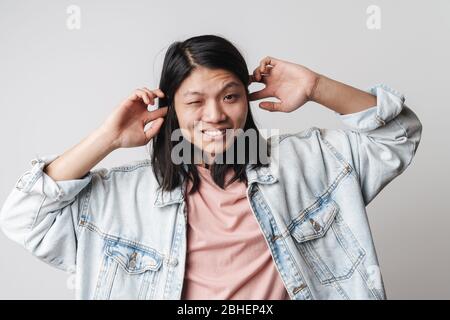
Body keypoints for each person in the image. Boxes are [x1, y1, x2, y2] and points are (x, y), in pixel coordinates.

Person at [0, 34, 422, 300]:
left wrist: (314, 87)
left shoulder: (305, 164)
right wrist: (107, 138)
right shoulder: (123, 199)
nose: (215, 115)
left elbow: (397, 135)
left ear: (246, 99)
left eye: (230, 96)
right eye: (195, 101)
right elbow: (23, 219)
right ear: (170, 110)